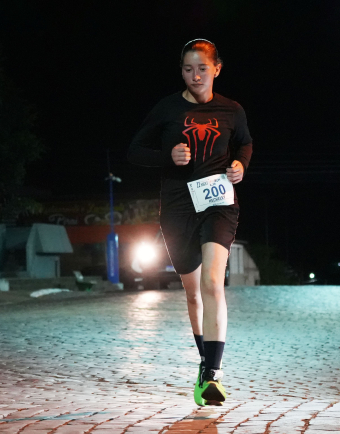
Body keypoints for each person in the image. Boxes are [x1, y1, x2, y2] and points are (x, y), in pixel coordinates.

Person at [128, 39, 252, 406]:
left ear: (217, 69)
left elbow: (245, 144)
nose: (195, 76)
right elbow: (134, 151)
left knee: (213, 282)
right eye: (188, 69)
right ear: (181, 71)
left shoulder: (232, 110)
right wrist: (167, 156)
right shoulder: (167, 108)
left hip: (218, 203)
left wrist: (240, 165)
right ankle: (204, 362)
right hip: (178, 207)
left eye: (202, 68)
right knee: (194, 291)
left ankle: (213, 374)